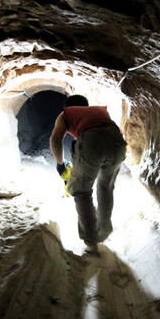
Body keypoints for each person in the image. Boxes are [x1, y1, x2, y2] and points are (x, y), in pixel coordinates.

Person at [49, 94, 126, 250]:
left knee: (80, 191)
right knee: (105, 187)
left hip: (93, 142)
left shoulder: (66, 113)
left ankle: (91, 241)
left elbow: (55, 139)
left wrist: (60, 163)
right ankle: (103, 231)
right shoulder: (98, 111)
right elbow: (107, 132)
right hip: (118, 143)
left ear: (68, 106)